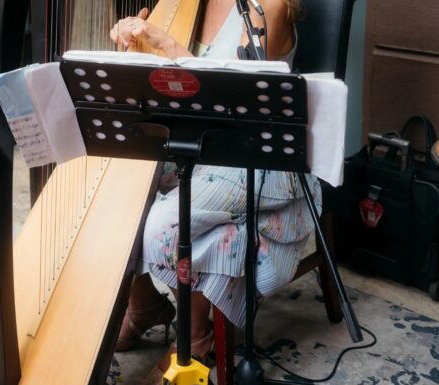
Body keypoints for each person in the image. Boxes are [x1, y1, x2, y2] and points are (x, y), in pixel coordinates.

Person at [109, 0, 317, 377]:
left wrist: (168, 46)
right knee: (114, 186)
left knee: (163, 225)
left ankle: (195, 333)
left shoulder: (266, 7)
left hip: (253, 156)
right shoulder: (180, 3)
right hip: (194, 147)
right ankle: (143, 305)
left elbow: (233, 105)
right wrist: (134, 41)